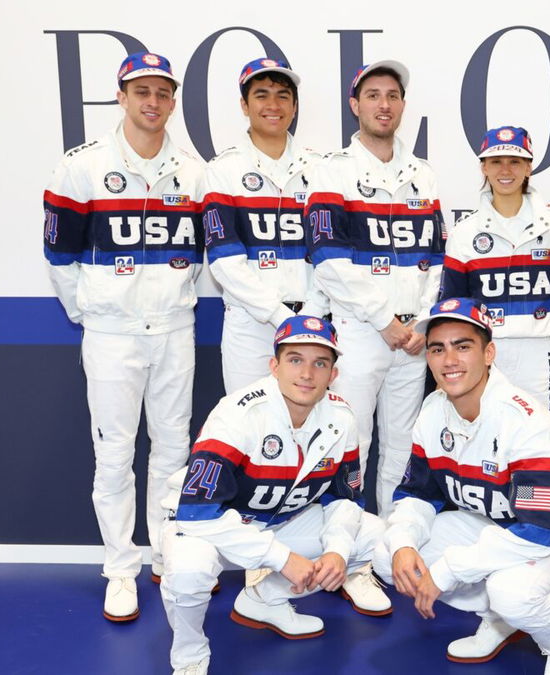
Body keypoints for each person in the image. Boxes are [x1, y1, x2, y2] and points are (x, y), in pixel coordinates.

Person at [43, 51, 203, 622]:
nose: (153, 102)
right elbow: (59, 254)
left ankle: (166, 552)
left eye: (162, 93)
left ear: (172, 100)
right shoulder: (81, 167)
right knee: (113, 458)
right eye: (142, 92)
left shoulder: (192, 170)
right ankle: (120, 567)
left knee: (173, 449)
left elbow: (202, 253)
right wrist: (89, 311)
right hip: (112, 334)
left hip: (175, 330)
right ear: (122, 95)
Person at [372, 298, 550, 675]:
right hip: (495, 522)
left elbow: (535, 532)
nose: (449, 361)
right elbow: (418, 494)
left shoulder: (526, 421)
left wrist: (446, 572)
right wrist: (403, 545)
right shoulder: (433, 410)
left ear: (489, 352)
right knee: (388, 552)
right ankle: (498, 618)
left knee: (513, 592)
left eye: (463, 346)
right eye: (437, 349)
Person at [158, 315, 391, 675]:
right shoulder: (238, 414)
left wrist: (337, 550)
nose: (307, 374)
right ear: (274, 366)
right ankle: (189, 656)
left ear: (333, 374)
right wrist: (283, 558)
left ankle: (263, 599)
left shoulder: (342, 417)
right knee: (190, 573)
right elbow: (198, 513)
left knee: (377, 536)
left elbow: (343, 499)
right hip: (206, 525)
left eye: (320, 363)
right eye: (295, 360)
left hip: (278, 521)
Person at [304, 60, 445, 516]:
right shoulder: (330, 171)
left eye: (392, 96)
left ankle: (390, 545)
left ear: (402, 105)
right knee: (350, 444)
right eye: (373, 95)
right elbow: (329, 262)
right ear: (355, 105)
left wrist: (422, 321)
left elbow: (438, 259)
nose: (384, 105)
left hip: (413, 338)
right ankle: (349, 552)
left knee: (403, 448)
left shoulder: (424, 174)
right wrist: (384, 320)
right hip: (362, 332)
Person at [199, 58, 326, 394]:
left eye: (283, 96)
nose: (273, 105)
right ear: (244, 104)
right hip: (250, 324)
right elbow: (225, 261)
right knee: (250, 430)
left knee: (311, 431)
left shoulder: (321, 169)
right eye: (262, 95)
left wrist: (312, 311)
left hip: (312, 318)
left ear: (295, 107)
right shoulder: (223, 170)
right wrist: (277, 313)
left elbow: (331, 255)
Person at [439, 125, 550, 415]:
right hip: (486, 350)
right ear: (484, 168)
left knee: (540, 435)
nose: (506, 169)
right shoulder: (465, 233)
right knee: (484, 431)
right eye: (496, 161)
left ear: (528, 168)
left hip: (537, 350)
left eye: (515, 161)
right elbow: (454, 302)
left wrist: (541, 315)